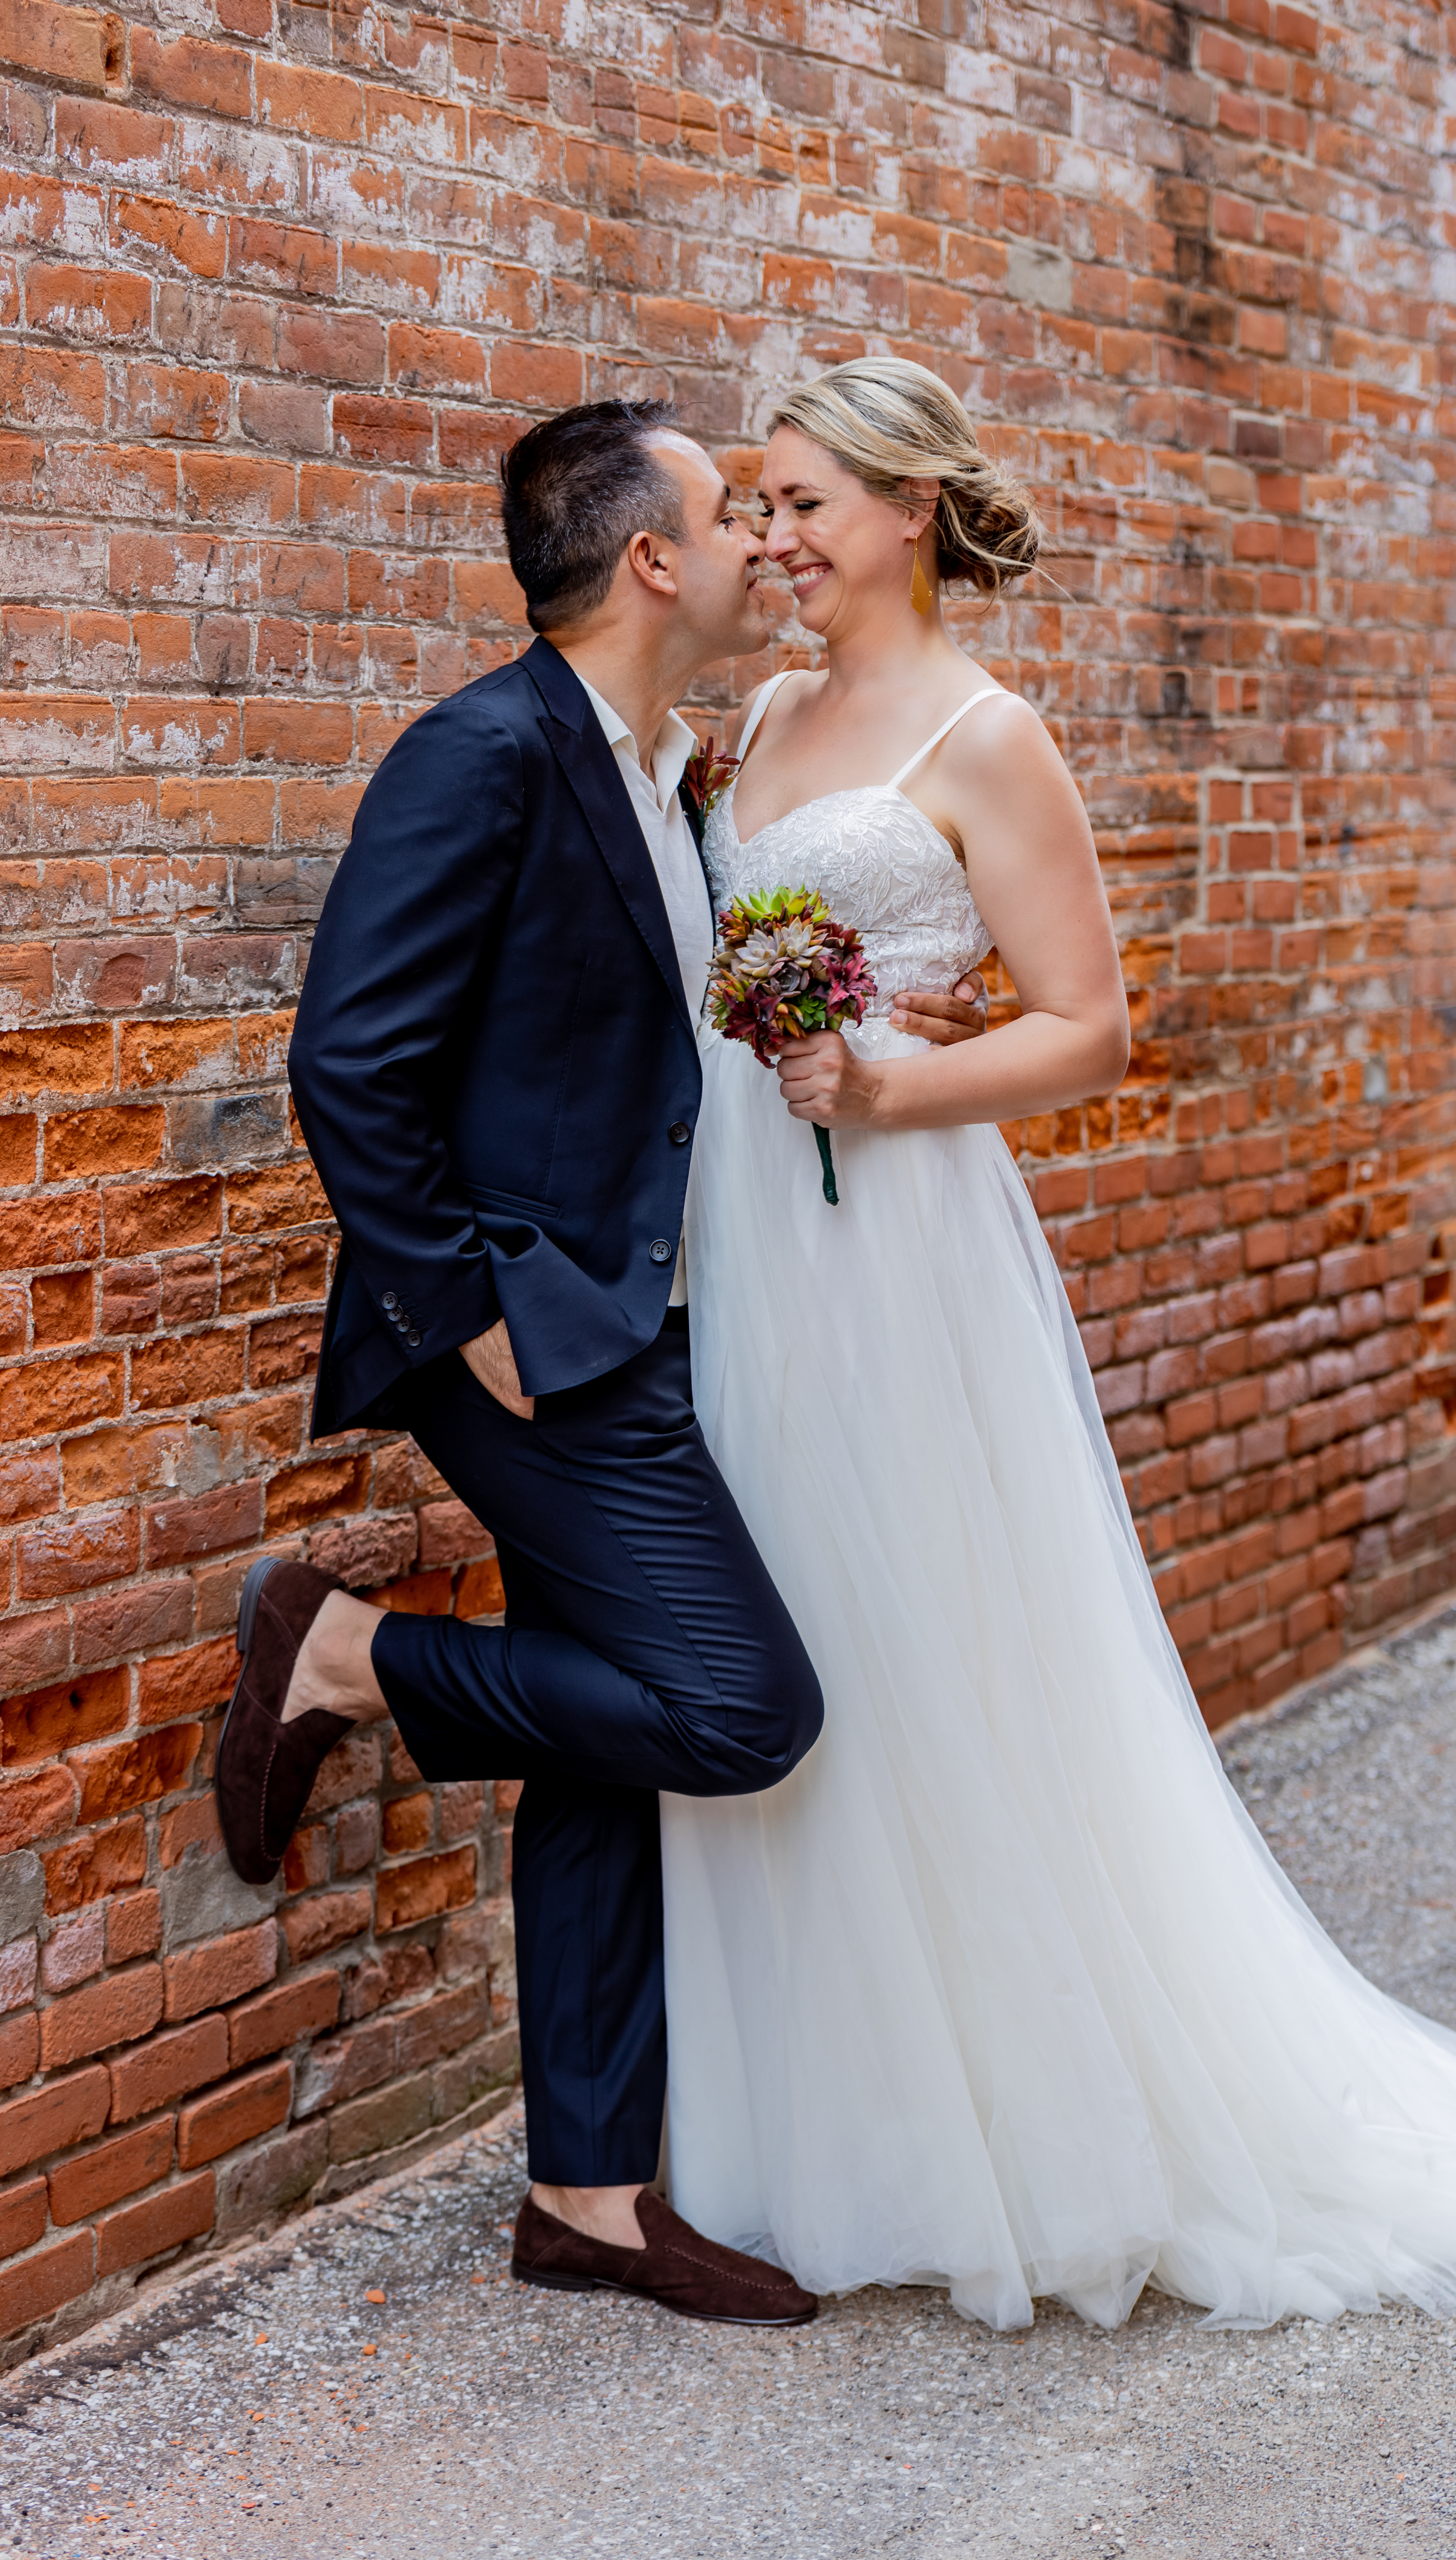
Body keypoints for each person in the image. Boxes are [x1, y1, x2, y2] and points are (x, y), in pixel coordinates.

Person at [660, 356, 1456, 2331]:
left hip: (893, 1231)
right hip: (752, 1226)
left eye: (803, 503)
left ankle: (1009, 2119)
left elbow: (1092, 1027)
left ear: (906, 509)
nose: (773, 540)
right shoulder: (772, 714)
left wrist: (882, 1095)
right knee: (784, 1617)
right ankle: (816, 2120)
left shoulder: (989, 737)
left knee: (924, 1640)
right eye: (758, 508)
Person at [213, 397, 989, 2327]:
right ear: (653, 559)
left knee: (606, 1754)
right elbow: (349, 1063)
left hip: (654, 1321)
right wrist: (471, 1318)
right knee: (741, 1710)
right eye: (737, 513)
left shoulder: (661, 766)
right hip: (542, 1348)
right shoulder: (480, 754)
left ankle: (588, 2198)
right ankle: (341, 1652)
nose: (764, 542)